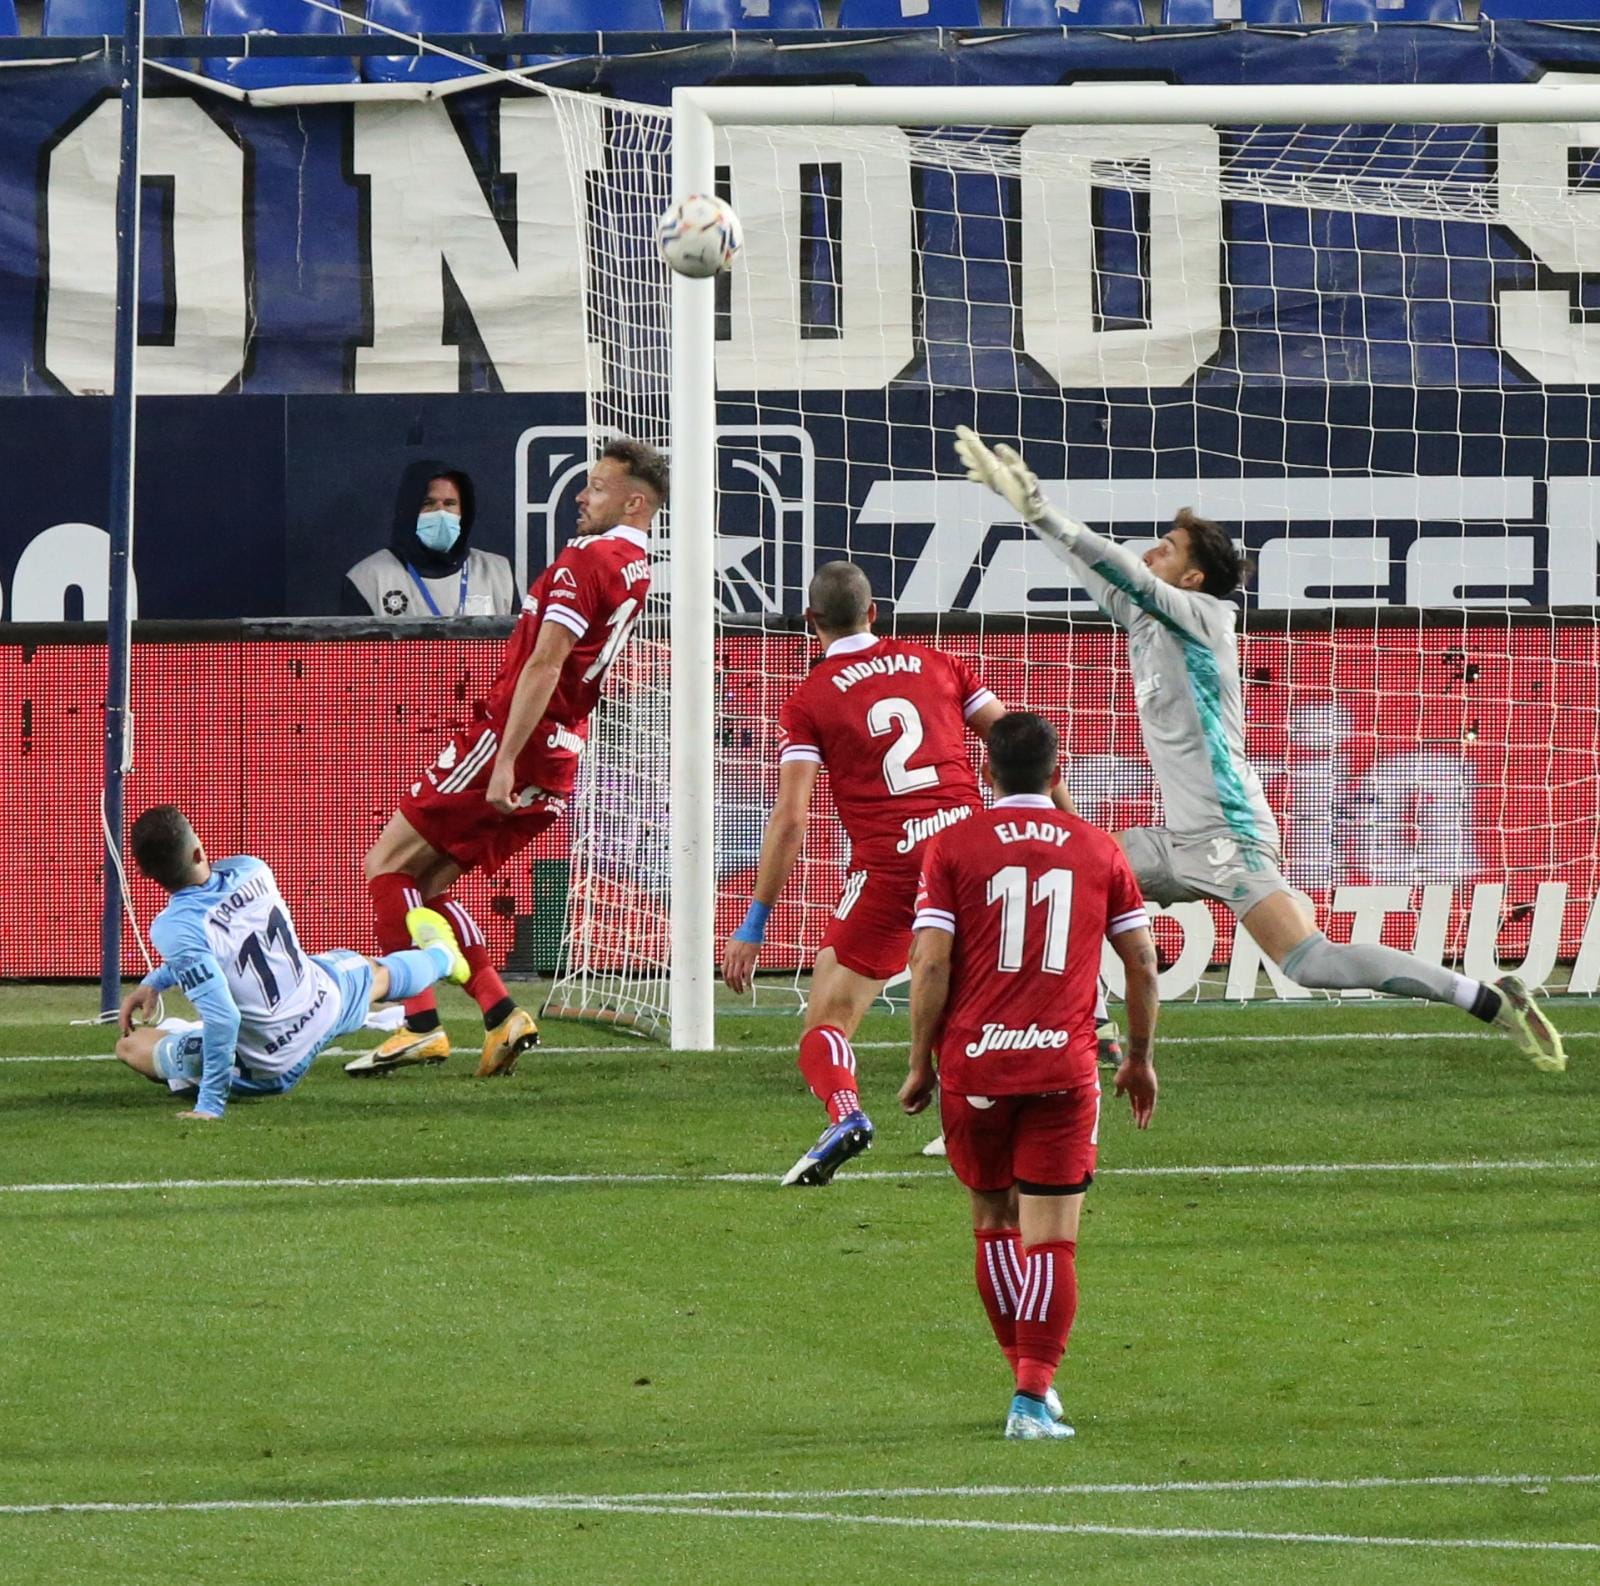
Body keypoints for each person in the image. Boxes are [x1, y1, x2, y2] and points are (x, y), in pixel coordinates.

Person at [952, 426, 1567, 1074]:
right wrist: (1024, 508)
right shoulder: (1146, 618)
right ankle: (1096, 1022)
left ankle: (1484, 996)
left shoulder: (1203, 617)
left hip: (1230, 834)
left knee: (1310, 962)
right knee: (1064, 869)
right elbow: (1096, 568)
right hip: (1180, 836)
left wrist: (1042, 507)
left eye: (1165, 548)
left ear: (1190, 575)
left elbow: (1119, 570)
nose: (1149, 552)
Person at [721, 559, 1113, 1188]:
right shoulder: (937, 661)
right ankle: (1061, 1058)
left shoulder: (810, 697)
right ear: (874, 612)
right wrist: (1077, 830)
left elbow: (792, 820)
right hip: (970, 845)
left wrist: (755, 920)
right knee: (972, 987)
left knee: (828, 1015)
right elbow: (1016, 742)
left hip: (894, 865)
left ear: (810, 623)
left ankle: (846, 1114)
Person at [348, 438, 666, 1079]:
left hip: (513, 742)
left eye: (598, 487)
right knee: (425, 888)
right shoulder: (637, 566)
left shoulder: (586, 559)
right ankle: (500, 1014)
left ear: (634, 501)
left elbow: (546, 662)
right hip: (562, 754)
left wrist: (502, 759)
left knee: (384, 865)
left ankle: (420, 1026)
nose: (581, 495)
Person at [900, 711, 1159, 1441]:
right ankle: (1032, 1393)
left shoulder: (952, 846)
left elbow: (929, 963)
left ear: (985, 773)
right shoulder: (1098, 849)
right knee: (1051, 1239)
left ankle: (1028, 1385)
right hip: (1062, 1064)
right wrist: (1137, 1057)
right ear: (1059, 770)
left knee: (993, 1225)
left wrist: (922, 1062)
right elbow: (1142, 963)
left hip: (977, 1063)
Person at [115, 805, 470, 1121]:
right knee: (377, 972)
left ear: (148, 876)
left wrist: (210, 1105)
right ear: (198, 850)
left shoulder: (174, 927)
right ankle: (441, 957)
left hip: (274, 1064)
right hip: (325, 1005)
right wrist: (156, 980)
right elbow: (231, 932)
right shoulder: (252, 869)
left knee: (131, 1046)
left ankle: (189, 1079)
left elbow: (225, 1017)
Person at [343, 461, 517, 618]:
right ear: (409, 509)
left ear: (464, 512)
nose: (440, 513)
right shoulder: (369, 578)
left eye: (449, 504)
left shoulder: (498, 573)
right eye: (428, 503)